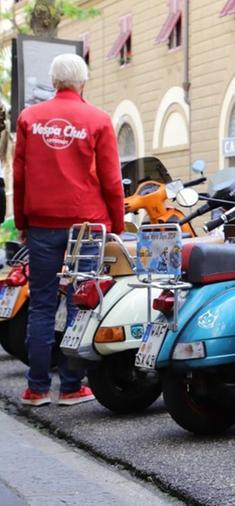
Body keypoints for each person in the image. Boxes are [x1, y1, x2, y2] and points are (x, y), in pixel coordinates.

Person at [13, 54, 124, 406]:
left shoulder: (29, 119)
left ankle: (37, 387)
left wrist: (22, 223)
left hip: (43, 224)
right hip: (88, 226)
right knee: (83, 301)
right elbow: (111, 180)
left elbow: (19, 177)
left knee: (43, 304)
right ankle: (73, 386)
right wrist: (116, 226)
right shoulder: (98, 120)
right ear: (83, 82)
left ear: (53, 80)